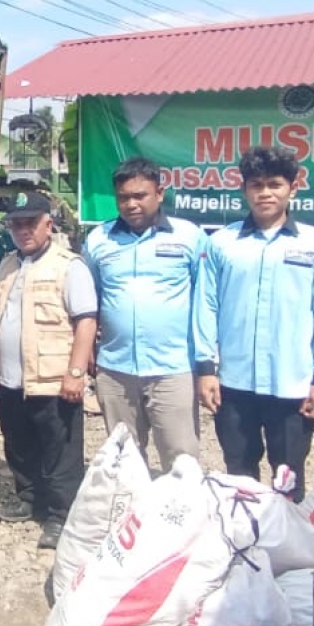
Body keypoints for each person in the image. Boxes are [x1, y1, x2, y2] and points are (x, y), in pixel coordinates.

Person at [194, 146, 314, 502]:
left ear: (292, 188)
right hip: (234, 383)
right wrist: (205, 369)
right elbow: (205, 307)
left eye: (275, 184)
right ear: (244, 189)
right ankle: (245, 545)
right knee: (240, 475)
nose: (265, 193)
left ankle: (287, 551)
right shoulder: (222, 243)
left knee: (288, 477)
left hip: (291, 384)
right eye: (256, 184)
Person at [0, 191, 98, 548]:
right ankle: (29, 498)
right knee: (19, 443)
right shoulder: (8, 264)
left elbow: (85, 322)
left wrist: (77, 372)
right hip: (12, 378)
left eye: (30, 223)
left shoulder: (69, 266)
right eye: (16, 224)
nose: (23, 230)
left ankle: (61, 514)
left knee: (59, 450)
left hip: (53, 379)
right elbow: (0, 319)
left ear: (48, 224)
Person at [84, 157, 204, 472]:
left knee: (181, 462)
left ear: (160, 193)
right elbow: (91, 298)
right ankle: (130, 518)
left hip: (173, 368)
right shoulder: (99, 239)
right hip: (115, 369)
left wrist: (207, 361)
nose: (132, 204)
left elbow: (205, 300)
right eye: (124, 197)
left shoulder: (189, 237)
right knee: (124, 460)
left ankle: (179, 521)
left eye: (140, 196)